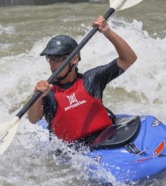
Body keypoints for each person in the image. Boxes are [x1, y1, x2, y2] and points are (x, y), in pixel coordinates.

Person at [27, 16, 137, 146]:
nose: (52, 64)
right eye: (50, 59)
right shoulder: (48, 92)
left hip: (104, 140)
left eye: (57, 59)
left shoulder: (91, 79)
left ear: (74, 59)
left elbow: (129, 59)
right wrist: (37, 96)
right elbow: (33, 119)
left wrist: (107, 31)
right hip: (73, 153)